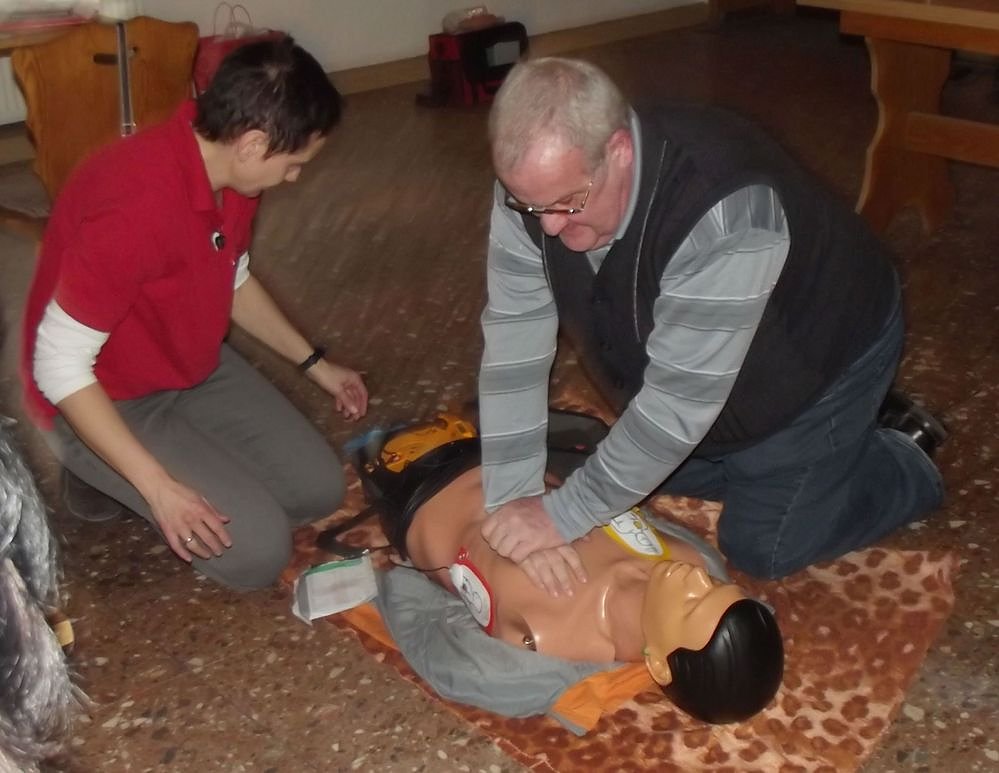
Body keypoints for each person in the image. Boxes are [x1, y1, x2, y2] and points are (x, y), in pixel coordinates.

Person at [476, 56, 947, 593]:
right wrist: (514, 497)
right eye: (530, 206)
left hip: (824, 354)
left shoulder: (722, 209)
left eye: (568, 203)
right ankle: (810, 456)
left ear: (619, 151)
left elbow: (676, 409)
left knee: (764, 544)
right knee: (625, 466)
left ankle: (899, 451)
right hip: (712, 358)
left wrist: (560, 517)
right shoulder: (536, 191)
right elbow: (514, 338)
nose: (549, 227)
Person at [19, 38, 368, 591]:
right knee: (257, 554)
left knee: (317, 491)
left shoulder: (230, 172)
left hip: (192, 365)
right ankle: (91, 458)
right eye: (294, 164)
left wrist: (317, 365)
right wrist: (158, 487)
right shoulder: (135, 208)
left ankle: (170, 457)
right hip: (105, 394)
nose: (294, 178)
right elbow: (58, 365)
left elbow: (233, 276)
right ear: (254, 144)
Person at [354, 413, 783, 724]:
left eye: (692, 605)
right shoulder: (692, 559)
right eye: (713, 587)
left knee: (379, 445)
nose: (696, 580)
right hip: (515, 452)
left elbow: (444, 654)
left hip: (418, 488)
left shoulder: (542, 638)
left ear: (659, 666)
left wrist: (400, 580)